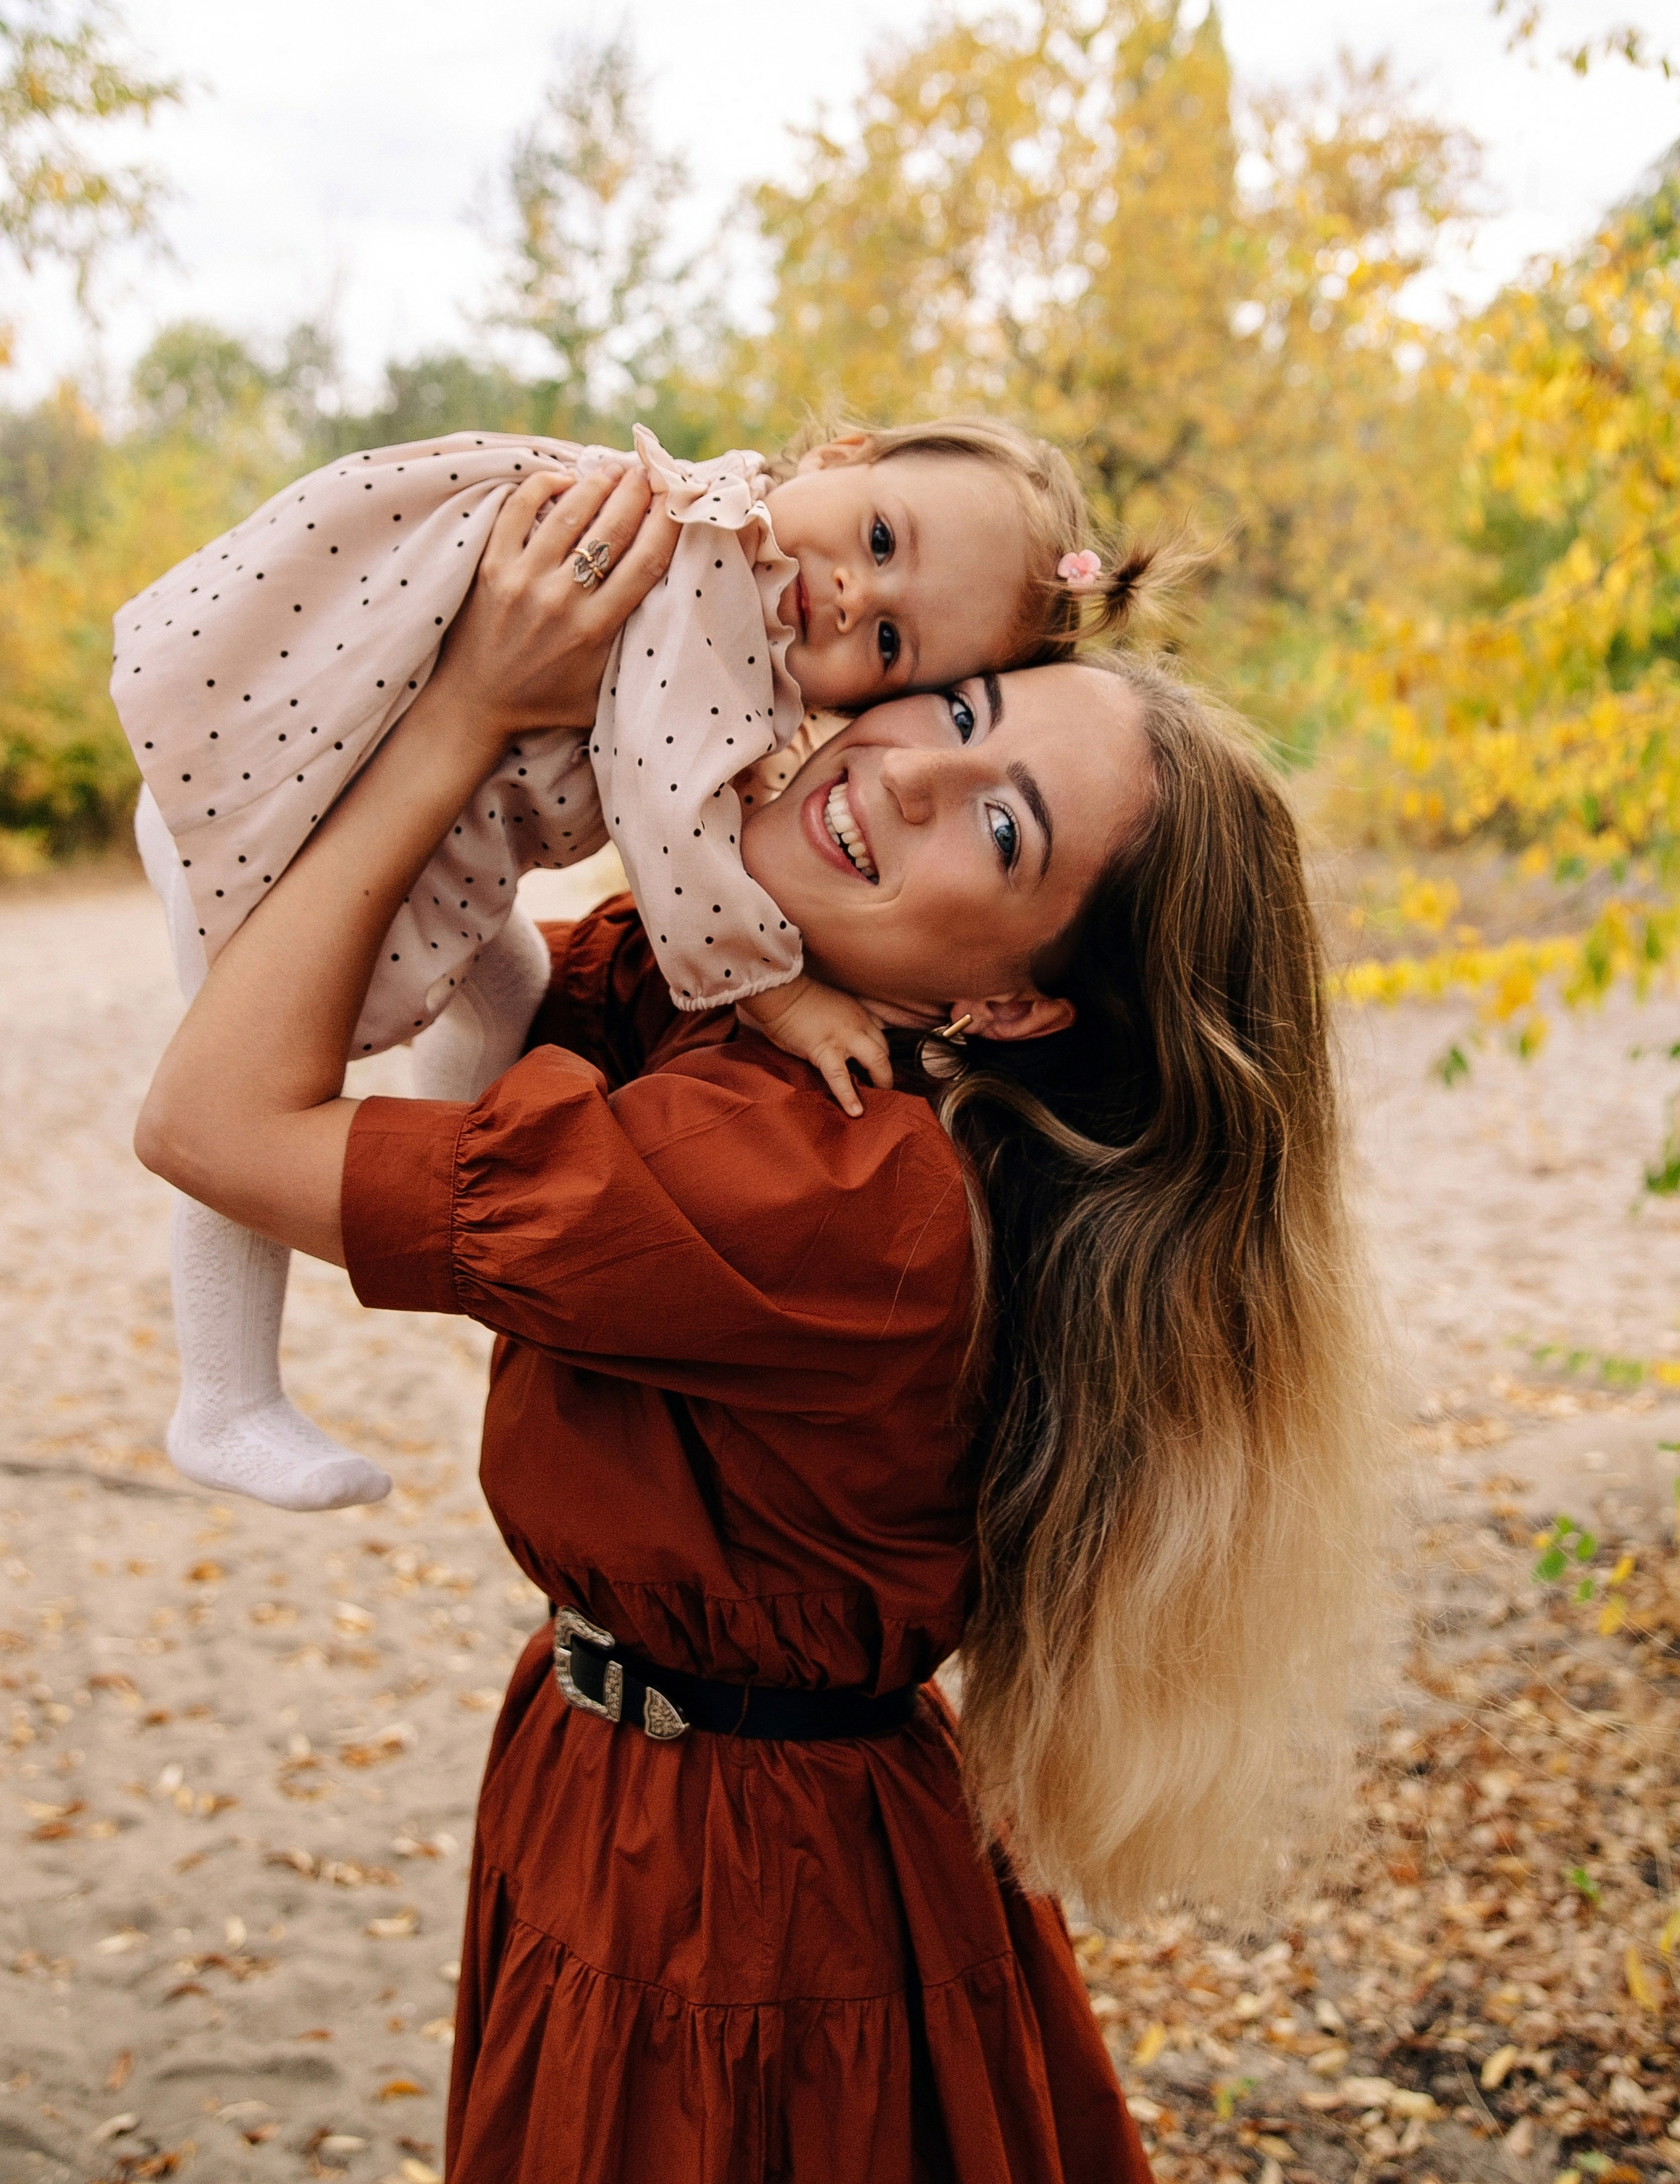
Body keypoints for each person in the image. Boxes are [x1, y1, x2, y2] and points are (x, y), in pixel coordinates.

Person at [135, 456, 1381, 2184]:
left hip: (730, 1902)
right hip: (636, 1791)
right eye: (951, 705)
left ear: (1007, 998)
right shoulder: (759, 1003)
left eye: (998, 824)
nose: (905, 769)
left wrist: (460, 718)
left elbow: (208, 1127)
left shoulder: (833, 1197)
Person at [115, 418, 1146, 1514]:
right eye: (881, 539)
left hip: (308, 778)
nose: (851, 596)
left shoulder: (726, 590)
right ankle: (223, 1398)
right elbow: (666, 814)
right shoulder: (701, 572)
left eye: (892, 644)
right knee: (251, 1059)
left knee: (507, 981)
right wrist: (779, 990)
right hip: (270, 811)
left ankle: (453, 1146)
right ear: (843, 455)